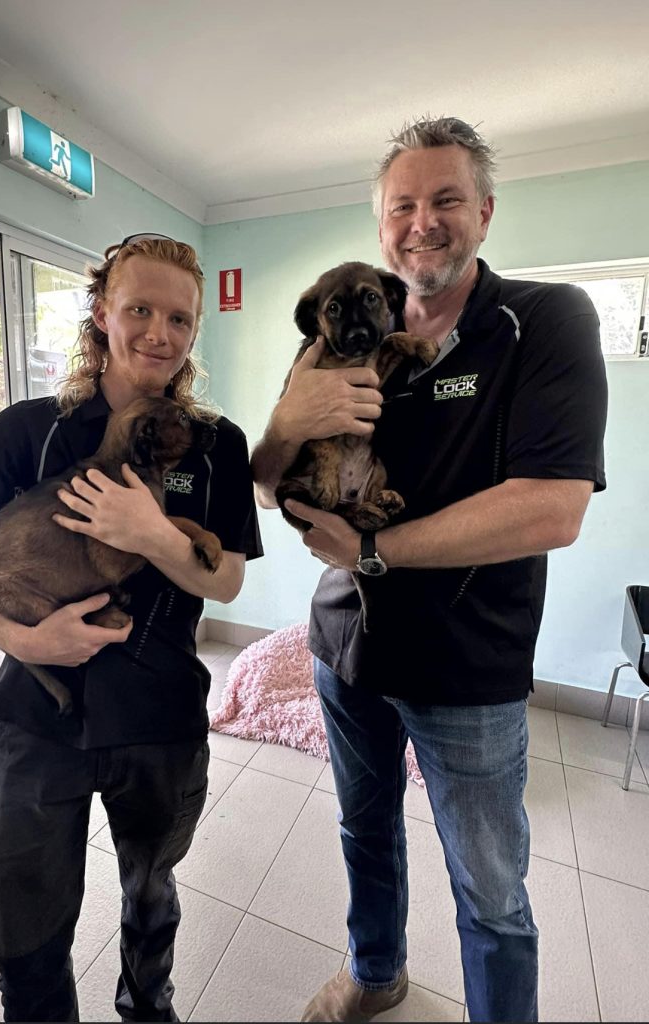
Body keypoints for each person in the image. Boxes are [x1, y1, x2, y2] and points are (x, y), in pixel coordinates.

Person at [250, 117, 607, 1023]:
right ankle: (377, 973)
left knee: (490, 888)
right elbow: (261, 485)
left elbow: (552, 508)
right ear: (381, 232)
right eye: (402, 206)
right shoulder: (336, 341)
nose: (424, 222)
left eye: (446, 199)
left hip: (466, 665)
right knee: (363, 830)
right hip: (345, 649)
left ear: (483, 213)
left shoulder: (546, 319)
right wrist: (288, 421)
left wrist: (373, 549)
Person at [0, 234, 263, 1022]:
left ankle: (145, 1008)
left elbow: (224, 579)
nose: (159, 332)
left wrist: (154, 532)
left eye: (180, 319)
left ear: (195, 332)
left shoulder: (216, 442)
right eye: (139, 310)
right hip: (36, 717)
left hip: (160, 715)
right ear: (101, 314)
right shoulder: (30, 430)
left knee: (151, 899)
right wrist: (17, 639)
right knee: (23, 931)